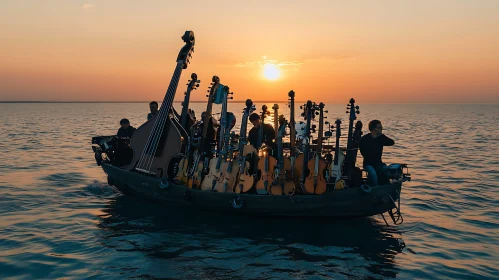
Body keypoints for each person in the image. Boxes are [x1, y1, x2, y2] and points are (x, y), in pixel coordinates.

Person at [359, 120, 395, 187]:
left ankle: (386, 188)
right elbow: (362, 151)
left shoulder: (381, 137)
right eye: (379, 128)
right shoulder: (364, 139)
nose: (381, 129)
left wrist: (383, 138)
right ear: (374, 129)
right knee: (373, 175)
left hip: (379, 163)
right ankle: (373, 189)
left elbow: (391, 142)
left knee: (387, 172)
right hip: (368, 164)